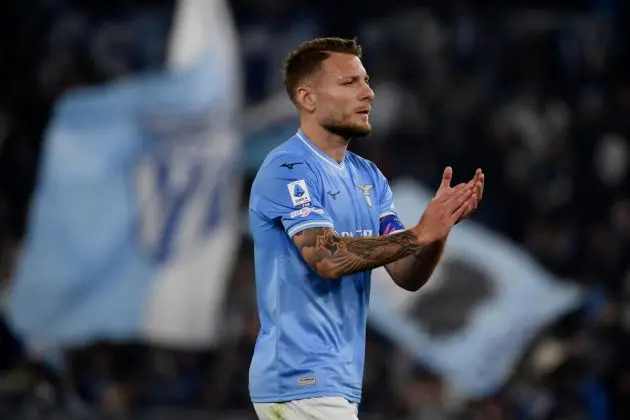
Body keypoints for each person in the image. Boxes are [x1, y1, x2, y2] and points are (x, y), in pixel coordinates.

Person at [248, 37, 484, 420]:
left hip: (335, 384)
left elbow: (406, 274)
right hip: (298, 380)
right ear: (307, 98)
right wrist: (419, 233)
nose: (368, 93)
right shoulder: (288, 168)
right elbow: (325, 257)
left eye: (366, 81)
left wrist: (438, 231)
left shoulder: (369, 178)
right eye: (349, 83)